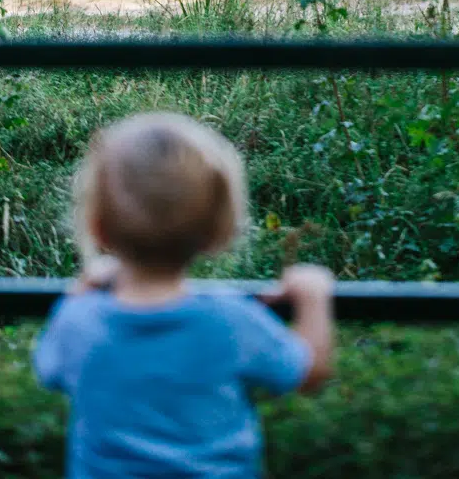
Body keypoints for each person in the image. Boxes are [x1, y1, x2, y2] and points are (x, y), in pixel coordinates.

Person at [34, 111, 334, 478]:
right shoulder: (233, 321)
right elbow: (308, 373)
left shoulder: (79, 321)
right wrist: (314, 296)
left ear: (98, 228)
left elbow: (49, 370)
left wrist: (81, 290)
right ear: (218, 230)